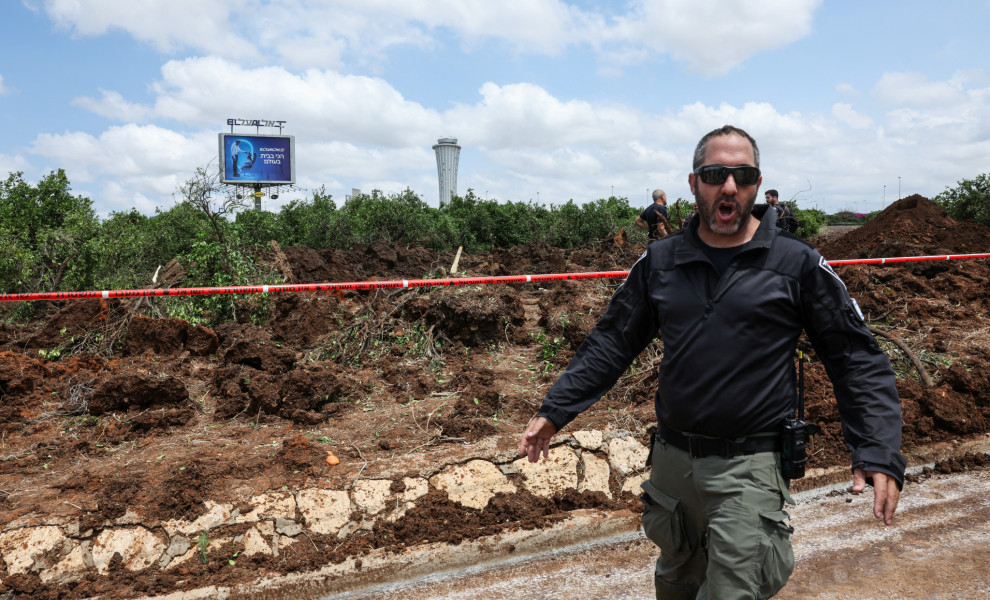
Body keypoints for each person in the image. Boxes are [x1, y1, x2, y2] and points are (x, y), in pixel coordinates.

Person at [519, 125, 904, 600]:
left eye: (743, 175)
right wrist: (555, 410)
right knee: (676, 585)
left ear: (757, 184)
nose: (729, 186)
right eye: (716, 174)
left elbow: (856, 358)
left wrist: (877, 448)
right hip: (673, 469)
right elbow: (611, 342)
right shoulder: (661, 262)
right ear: (694, 183)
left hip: (750, 467)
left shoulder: (796, 264)